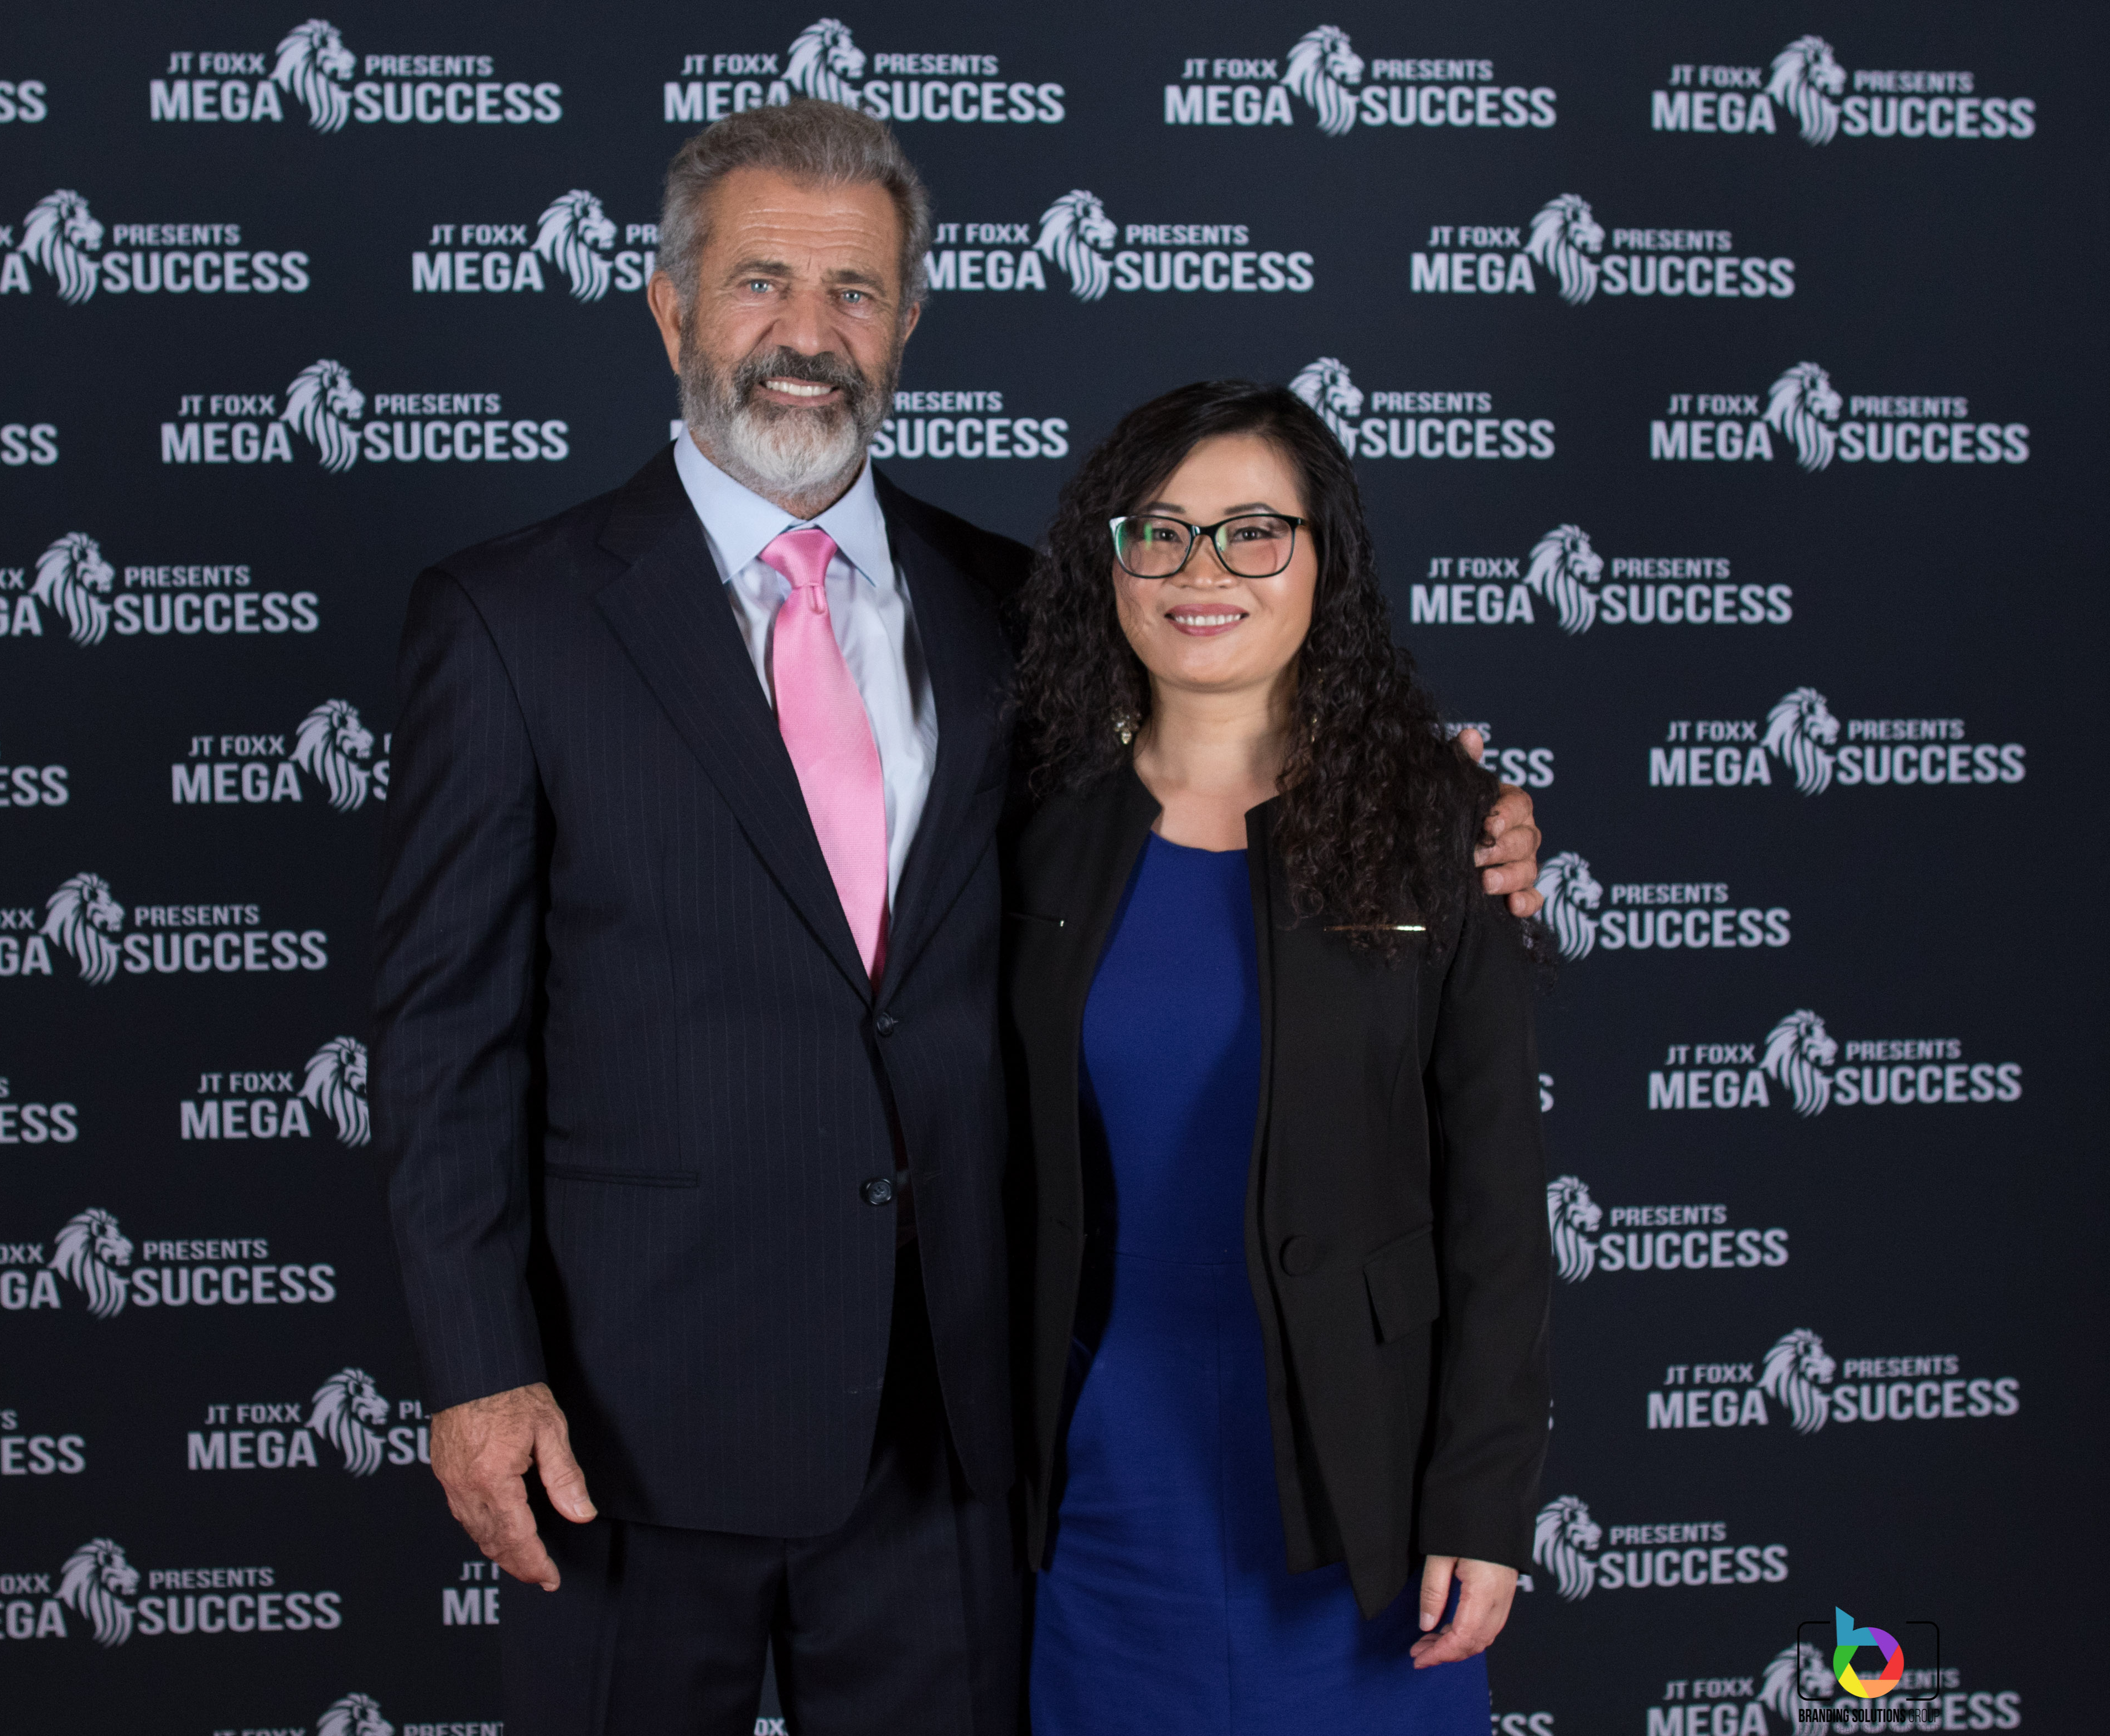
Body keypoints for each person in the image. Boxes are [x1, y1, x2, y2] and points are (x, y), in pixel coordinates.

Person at [372, 102, 1545, 1735]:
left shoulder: (1016, 611)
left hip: (957, 1427)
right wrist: (479, 1368)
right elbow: (446, 1037)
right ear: (669, 306)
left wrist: (1450, 807)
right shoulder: (513, 620)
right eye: (761, 281)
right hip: (633, 1421)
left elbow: (1236, 744)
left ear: (908, 321)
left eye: (853, 292)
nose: (808, 333)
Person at [1005, 381, 1552, 1732]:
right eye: (1161, 532)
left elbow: (1495, 1204)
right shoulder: (1025, 820)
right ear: (1111, 564)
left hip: (1365, 1488)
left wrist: (1481, 1503)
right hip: (1100, 1480)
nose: (1204, 572)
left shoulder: (1443, 828)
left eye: (1255, 531)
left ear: (1325, 559)